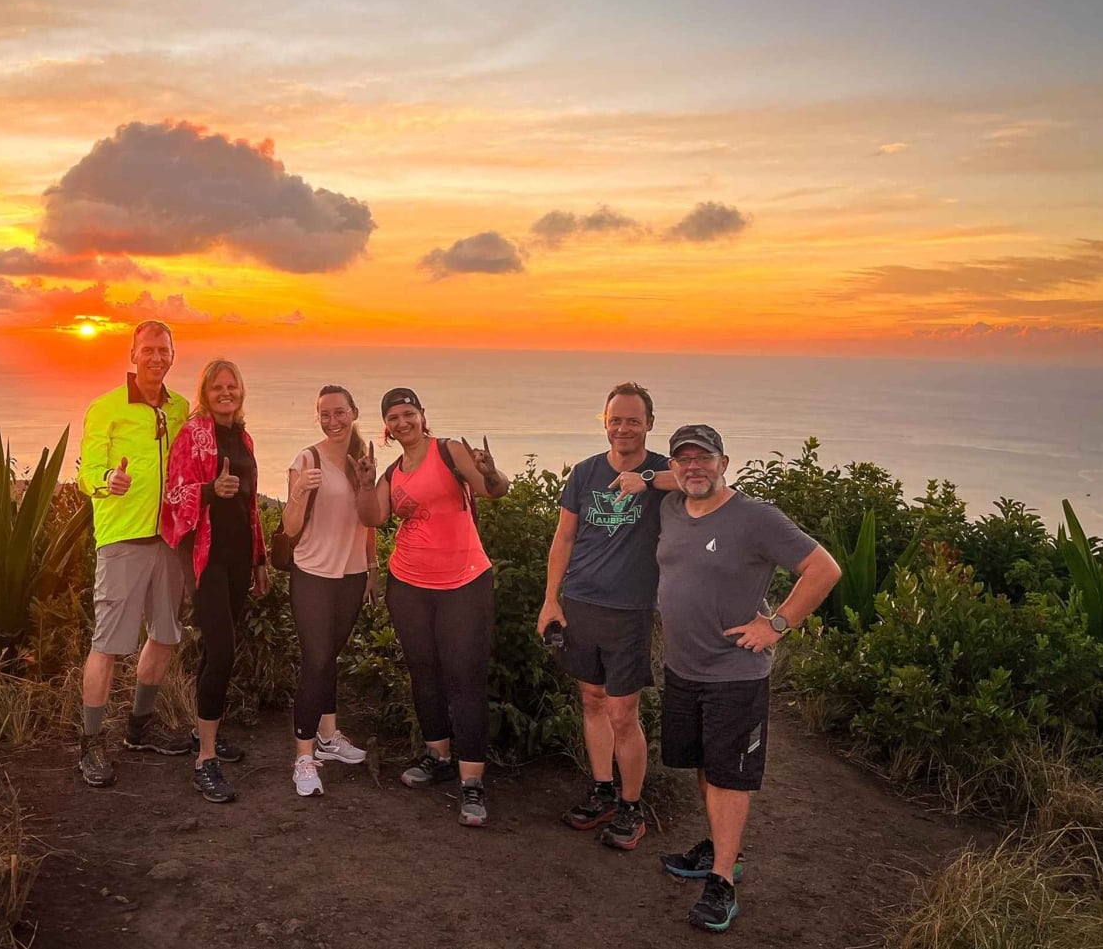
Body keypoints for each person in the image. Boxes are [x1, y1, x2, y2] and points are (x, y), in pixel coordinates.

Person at [655, 423, 841, 933]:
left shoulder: (755, 517)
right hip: (683, 668)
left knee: (729, 775)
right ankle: (718, 849)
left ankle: (723, 883)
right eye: (683, 459)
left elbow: (824, 569)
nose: (694, 466)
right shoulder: (673, 506)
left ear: (725, 462)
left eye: (704, 458)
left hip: (733, 674)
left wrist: (776, 624)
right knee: (702, 764)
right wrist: (644, 478)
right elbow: (664, 481)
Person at [353, 387, 510, 826]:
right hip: (408, 583)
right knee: (423, 671)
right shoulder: (392, 472)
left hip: (464, 581)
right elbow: (372, 518)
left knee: (465, 676)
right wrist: (365, 484)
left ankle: (472, 781)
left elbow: (491, 490)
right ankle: (438, 757)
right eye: (393, 418)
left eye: (408, 413)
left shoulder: (448, 451)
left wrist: (492, 473)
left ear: (423, 415)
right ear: (386, 427)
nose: (402, 422)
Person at [537, 382, 675, 849]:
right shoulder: (585, 473)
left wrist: (650, 481)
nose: (623, 428)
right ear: (604, 422)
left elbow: (710, 480)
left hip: (631, 610)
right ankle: (601, 792)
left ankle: (632, 807)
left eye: (633, 420)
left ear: (649, 424)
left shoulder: (663, 471)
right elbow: (564, 538)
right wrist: (551, 599)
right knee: (592, 700)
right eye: (615, 419)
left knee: (623, 712)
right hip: (581, 603)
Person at [75, 319, 193, 788]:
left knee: (164, 635)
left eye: (164, 350)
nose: (156, 357)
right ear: (132, 354)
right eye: (148, 350)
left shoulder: (181, 407)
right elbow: (87, 472)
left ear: (172, 355)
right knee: (107, 644)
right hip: (122, 539)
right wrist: (109, 481)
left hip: (170, 540)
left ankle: (139, 729)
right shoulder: (106, 408)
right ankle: (90, 742)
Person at [163, 359, 269, 804]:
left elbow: (250, 506)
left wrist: (261, 559)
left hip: (239, 558)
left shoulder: (242, 438)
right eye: (217, 387)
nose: (226, 393)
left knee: (217, 651)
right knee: (222, 652)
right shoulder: (194, 435)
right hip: (206, 560)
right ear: (205, 394)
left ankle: (205, 732)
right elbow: (172, 493)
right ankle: (205, 760)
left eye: (233, 386)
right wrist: (210, 491)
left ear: (241, 392)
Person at [281, 385, 380, 797]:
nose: (333, 420)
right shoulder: (307, 459)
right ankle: (304, 756)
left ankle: (328, 735)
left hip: (353, 574)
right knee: (316, 660)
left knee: (330, 658)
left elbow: (369, 519)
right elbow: (288, 528)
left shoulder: (363, 461)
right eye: (325, 414)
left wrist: (373, 566)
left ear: (354, 413)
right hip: (313, 573)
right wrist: (301, 488)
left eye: (340, 412)